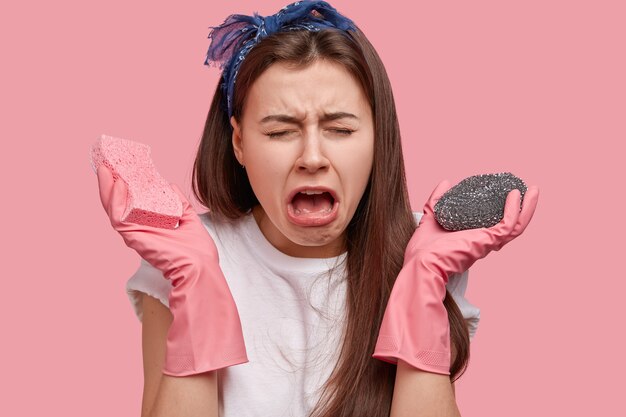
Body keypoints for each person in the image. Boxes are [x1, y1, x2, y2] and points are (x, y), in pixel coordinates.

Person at [96, 1, 539, 416]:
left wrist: (422, 282)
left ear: (377, 138)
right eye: (279, 131)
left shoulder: (426, 253)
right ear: (238, 143)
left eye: (340, 129)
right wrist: (195, 285)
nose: (312, 156)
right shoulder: (182, 257)